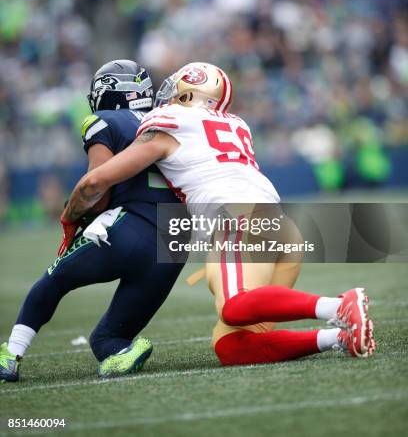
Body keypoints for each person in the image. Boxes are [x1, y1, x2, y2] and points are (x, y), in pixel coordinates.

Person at [59, 62, 376, 367]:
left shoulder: (169, 120)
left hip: (237, 220)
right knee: (231, 348)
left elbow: (97, 180)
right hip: (279, 227)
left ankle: (339, 305)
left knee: (236, 306)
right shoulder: (235, 123)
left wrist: (70, 217)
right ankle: (338, 338)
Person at [0, 60, 185, 382]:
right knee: (107, 341)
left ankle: (11, 355)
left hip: (130, 229)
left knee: (53, 281)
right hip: (175, 244)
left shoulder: (106, 120)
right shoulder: (172, 123)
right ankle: (121, 352)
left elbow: (97, 186)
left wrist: (72, 217)